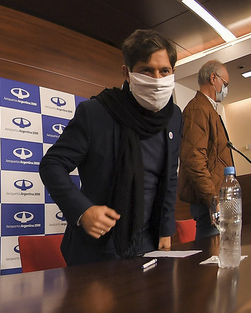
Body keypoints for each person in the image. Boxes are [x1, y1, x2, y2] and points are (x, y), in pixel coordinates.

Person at [39, 29, 182, 266]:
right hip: (99, 250)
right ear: (127, 73)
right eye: (146, 70)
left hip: (150, 243)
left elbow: (169, 177)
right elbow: (52, 165)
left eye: (164, 71)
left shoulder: (174, 116)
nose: (157, 79)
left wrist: (166, 229)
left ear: (173, 72)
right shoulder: (95, 112)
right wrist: (83, 211)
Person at [178, 60, 234, 240]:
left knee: (220, 256)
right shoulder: (197, 109)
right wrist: (212, 199)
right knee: (212, 260)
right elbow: (194, 159)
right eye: (225, 84)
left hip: (214, 198)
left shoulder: (208, 109)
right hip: (208, 201)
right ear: (213, 78)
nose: (225, 89)